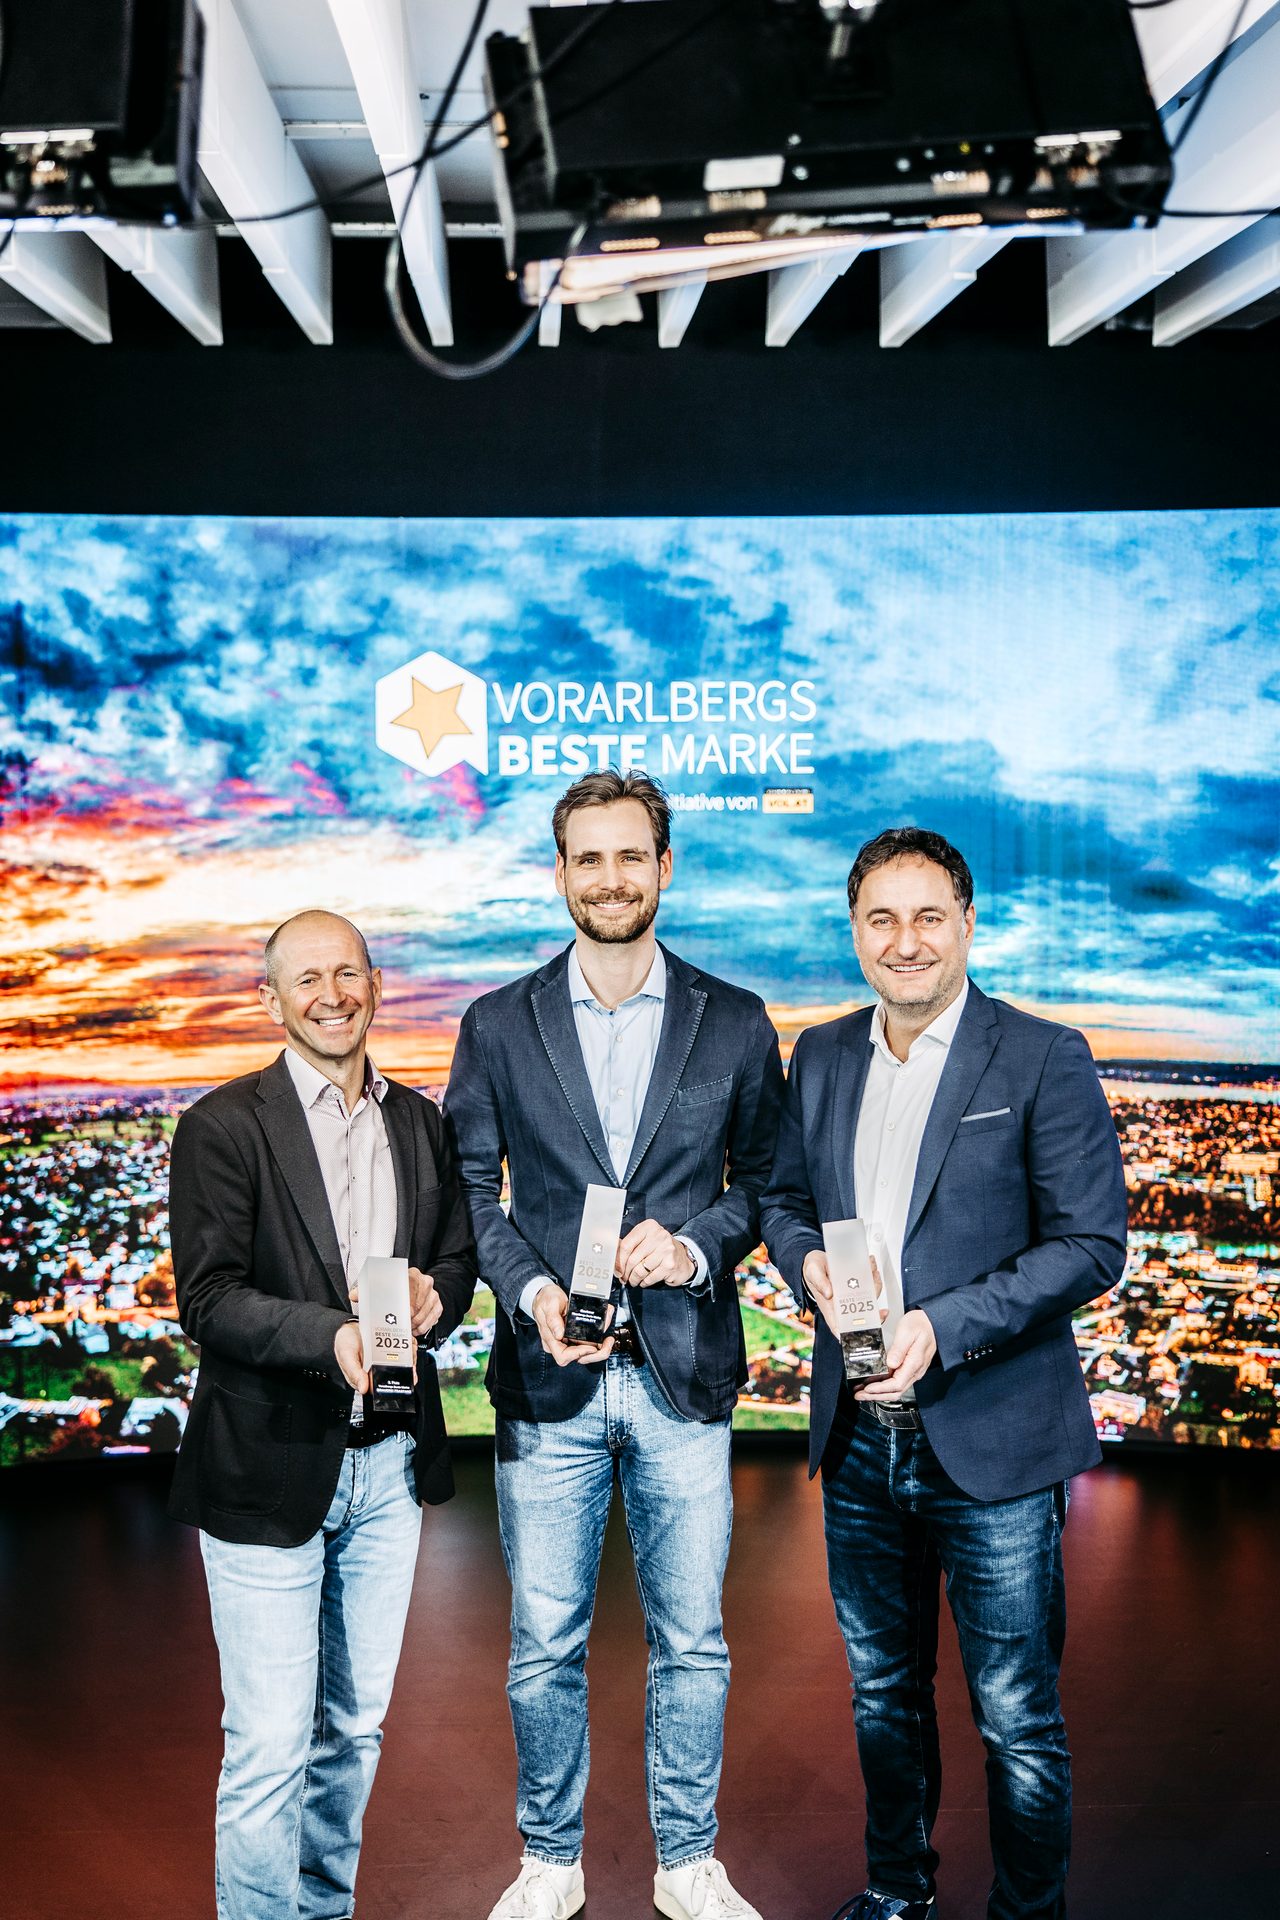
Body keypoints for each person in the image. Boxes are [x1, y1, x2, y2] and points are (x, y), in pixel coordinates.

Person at [761, 828, 1127, 1920]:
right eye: (880, 919)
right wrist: (804, 1261)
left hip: (994, 1438)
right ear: (853, 932)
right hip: (858, 1438)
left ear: (966, 924)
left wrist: (944, 1323)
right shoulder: (820, 1055)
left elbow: (1089, 1244)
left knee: (1015, 1716)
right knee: (882, 1694)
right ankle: (895, 1894)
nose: (904, 941)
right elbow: (780, 1201)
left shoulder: (1040, 1053)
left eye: (927, 917)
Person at [446, 770, 784, 1920]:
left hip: (684, 1377)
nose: (608, 878)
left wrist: (690, 1249)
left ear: (664, 867)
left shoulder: (733, 1020)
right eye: (585, 859)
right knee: (544, 1641)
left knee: (693, 1641)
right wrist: (532, 1288)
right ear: (558, 874)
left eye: (628, 856)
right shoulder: (496, 1022)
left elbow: (765, 1188)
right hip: (548, 1380)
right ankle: (550, 1858)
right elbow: (467, 1196)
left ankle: (687, 1862)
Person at [168, 909, 476, 1920]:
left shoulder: (418, 1122)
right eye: (307, 979)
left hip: (387, 1468)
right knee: (267, 1743)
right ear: (271, 1001)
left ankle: (321, 1910)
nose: (332, 995)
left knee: (352, 1730)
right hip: (265, 1466)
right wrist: (331, 1338)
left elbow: (457, 1263)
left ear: (376, 985)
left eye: (348, 974)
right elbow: (209, 1300)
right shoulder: (222, 1126)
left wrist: (435, 1295)